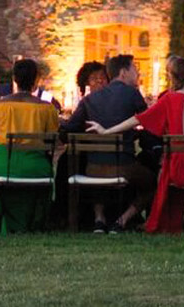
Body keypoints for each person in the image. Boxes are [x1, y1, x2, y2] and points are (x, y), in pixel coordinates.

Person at [90, 56, 184, 234]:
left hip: (177, 170)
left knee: (161, 168)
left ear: (172, 77)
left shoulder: (168, 100)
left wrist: (107, 131)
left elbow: (138, 119)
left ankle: (163, 221)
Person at [62, 54, 154, 233]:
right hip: (123, 166)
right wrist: (135, 136)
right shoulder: (133, 94)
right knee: (152, 183)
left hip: (93, 168)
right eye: (134, 69)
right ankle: (122, 220)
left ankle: (99, 218)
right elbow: (149, 122)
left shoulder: (89, 99)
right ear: (123, 72)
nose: (137, 74)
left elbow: (70, 127)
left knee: (100, 165)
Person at [0, 58, 60, 234]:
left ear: (14, 79)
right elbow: (53, 141)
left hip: (2, 164)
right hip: (37, 166)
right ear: (36, 80)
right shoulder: (47, 108)